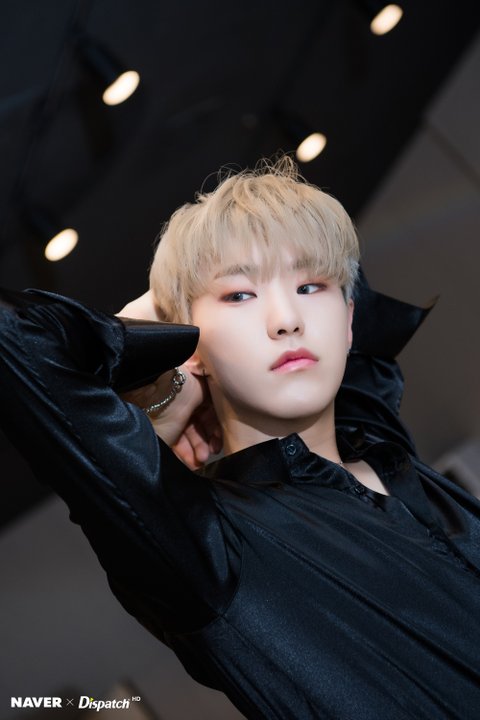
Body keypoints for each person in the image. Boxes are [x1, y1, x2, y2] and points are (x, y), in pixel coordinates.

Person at [0, 157, 479, 719]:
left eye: (309, 286)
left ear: (350, 320)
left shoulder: (381, 446)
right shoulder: (206, 545)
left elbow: (349, 289)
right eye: (239, 296)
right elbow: (15, 339)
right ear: (186, 337)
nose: (286, 319)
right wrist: (153, 339)